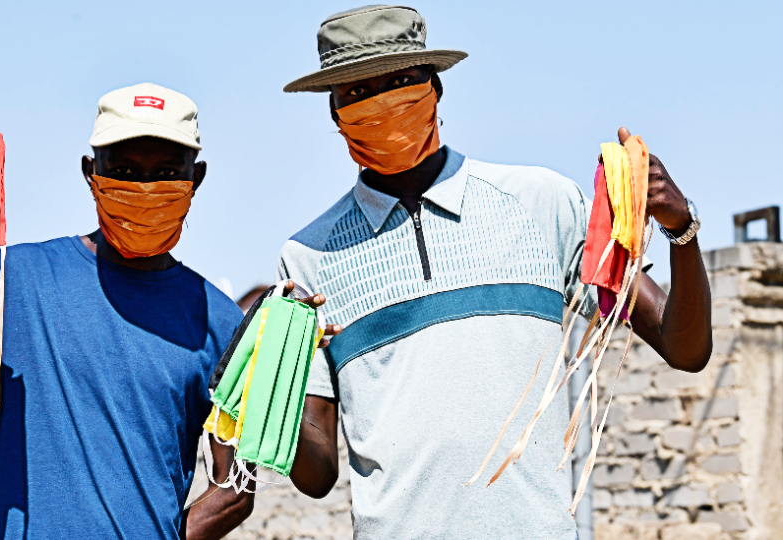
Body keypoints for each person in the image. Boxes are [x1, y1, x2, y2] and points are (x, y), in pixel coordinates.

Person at [278, 6, 712, 539]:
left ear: (435, 88)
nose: (383, 104)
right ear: (334, 112)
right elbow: (317, 475)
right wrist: (264, 383)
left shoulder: (541, 202)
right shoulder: (308, 257)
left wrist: (682, 228)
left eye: (400, 81)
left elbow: (685, 348)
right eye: (358, 92)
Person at [0, 83, 290, 540]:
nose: (144, 189)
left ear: (197, 177)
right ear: (91, 172)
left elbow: (233, 490)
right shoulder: (12, 281)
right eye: (123, 170)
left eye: (166, 172)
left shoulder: (218, 320)